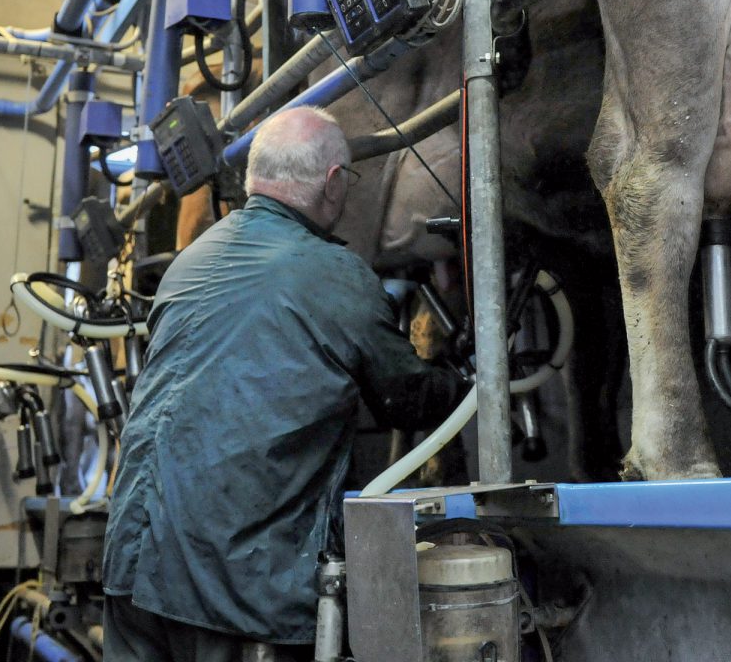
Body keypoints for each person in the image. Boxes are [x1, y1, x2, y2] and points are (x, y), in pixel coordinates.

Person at [102, 107, 467, 661]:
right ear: (334, 182)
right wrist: (468, 378)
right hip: (231, 586)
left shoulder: (192, 259)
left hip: (132, 563)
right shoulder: (334, 275)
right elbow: (405, 397)